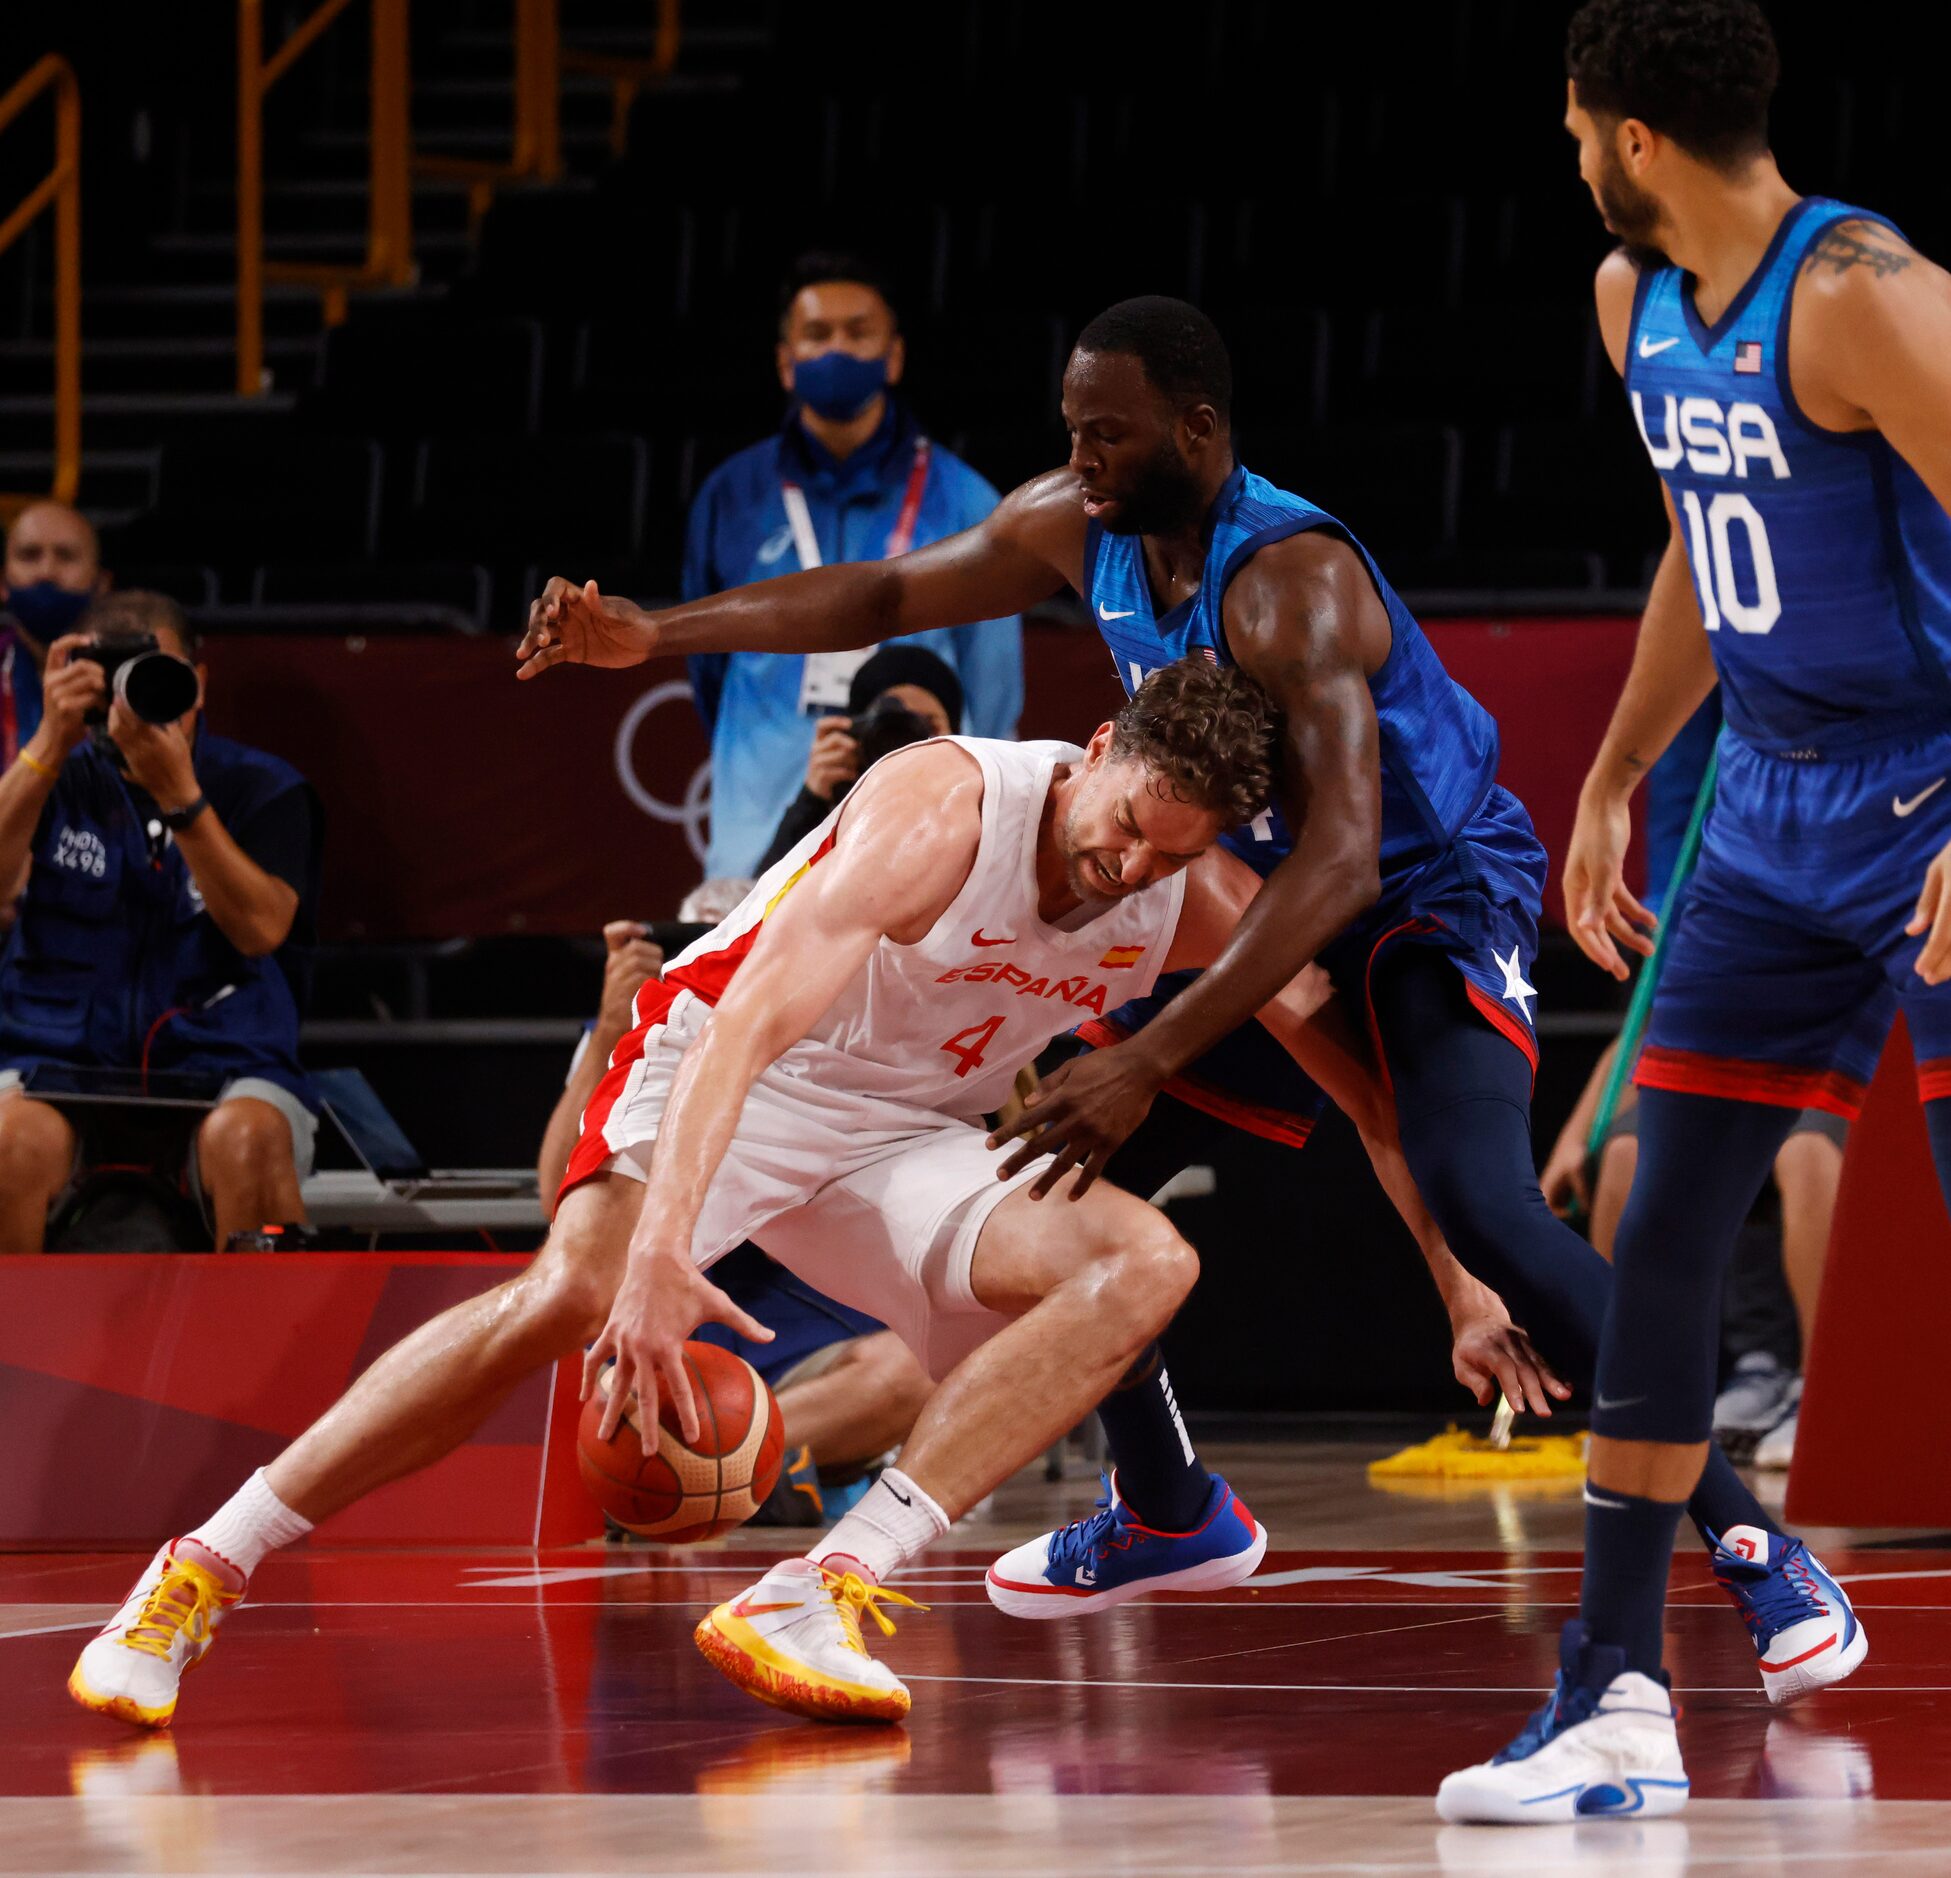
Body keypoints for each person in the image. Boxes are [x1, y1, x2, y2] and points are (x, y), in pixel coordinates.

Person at [518, 296, 1854, 1664]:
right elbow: (882, 594)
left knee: (1483, 1204)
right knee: (1047, 1175)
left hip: (1423, 892)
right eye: (1069, 430)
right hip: (1234, 887)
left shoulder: (1289, 579)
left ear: (1197, 428)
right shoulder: (1081, 525)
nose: (1081, 456)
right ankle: (1165, 1510)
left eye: (1108, 432)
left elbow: (1338, 863)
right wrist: (655, 631)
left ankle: (1756, 1543)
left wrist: (1157, 1064)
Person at [69, 660, 1516, 1728]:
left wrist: (1459, 1282)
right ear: (1091, 750)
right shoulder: (945, 808)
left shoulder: (1182, 895)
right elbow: (751, 1023)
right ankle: (202, 1564)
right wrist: (646, 1269)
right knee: (569, 1290)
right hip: (720, 1055)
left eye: (1168, 850)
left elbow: (1368, 1097)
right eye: (1129, 819)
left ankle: (818, 1586)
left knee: (1143, 1261)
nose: (1125, 863)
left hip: (900, 1126)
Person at [1437, 0, 1951, 1821]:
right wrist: (1616, 770)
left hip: (1930, 787)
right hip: (1766, 805)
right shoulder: (1626, 300)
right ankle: (1614, 1692)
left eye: (1574, 125)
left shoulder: (1866, 291)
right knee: (1660, 1220)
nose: (1569, 154)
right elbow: (1691, 541)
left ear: (1630, 133)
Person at [537, 918, 932, 1523]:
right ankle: (752, 1476)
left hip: (780, 1331)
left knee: (918, 1374)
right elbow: (554, 1197)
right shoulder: (649, 1018)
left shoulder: (833, 1027)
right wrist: (613, 1026)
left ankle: (701, 1469)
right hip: (649, 1313)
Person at [1538, 697, 1842, 1465]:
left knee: (1802, 1153)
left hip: (1843, 1058)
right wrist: (1580, 1132)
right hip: (1740, 1057)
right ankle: (1637, 1393)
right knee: (1627, 1156)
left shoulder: (1860, 829)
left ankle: (1821, 1388)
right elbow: (1655, 1021)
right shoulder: (1720, 866)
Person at [684, 251, 1023, 878]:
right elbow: (709, 672)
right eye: (817, 334)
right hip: (756, 828)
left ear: (894, 355)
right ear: (785, 362)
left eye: (858, 332)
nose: (838, 349)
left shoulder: (969, 501)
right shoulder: (731, 498)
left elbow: (992, 695)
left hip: (920, 833)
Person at [0, 593, 321, 1254]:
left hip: (224, 1060)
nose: (130, 692)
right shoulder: (49, 776)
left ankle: (264, 1354)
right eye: (107, 672)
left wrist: (183, 800)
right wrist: (44, 747)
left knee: (253, 1142)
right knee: (8, 1147)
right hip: (52, 1059)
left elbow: (261, 930)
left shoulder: (263, 789)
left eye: (154, 670)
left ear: (198, 683)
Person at [757, 640, 964, 872]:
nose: (908, 746)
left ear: (957, 737)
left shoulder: (978, 814)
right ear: (859, 735)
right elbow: (765, 901)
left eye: (928, 727)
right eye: (893, 726)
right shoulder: (837, 815)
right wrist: (812, 800)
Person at [1, 500, 109, 777]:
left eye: (66, 556)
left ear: (102, 583)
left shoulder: (127, 676)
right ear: (2, 582)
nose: (46, 571)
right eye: (29, 555)